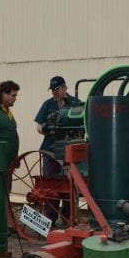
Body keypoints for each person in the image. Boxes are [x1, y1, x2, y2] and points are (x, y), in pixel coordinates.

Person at [34, 75, 82, 225]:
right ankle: (50, 218)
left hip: (70, 149)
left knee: (69, 184)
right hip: (50, 149)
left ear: (64, 88)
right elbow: (39, 126)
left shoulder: (76, 104)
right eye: (52, 91)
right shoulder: (47, 105)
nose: (54, 93)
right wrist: (46, 129)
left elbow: (83, 124)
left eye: (56, 90)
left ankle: (68, 219)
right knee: (50, 185)